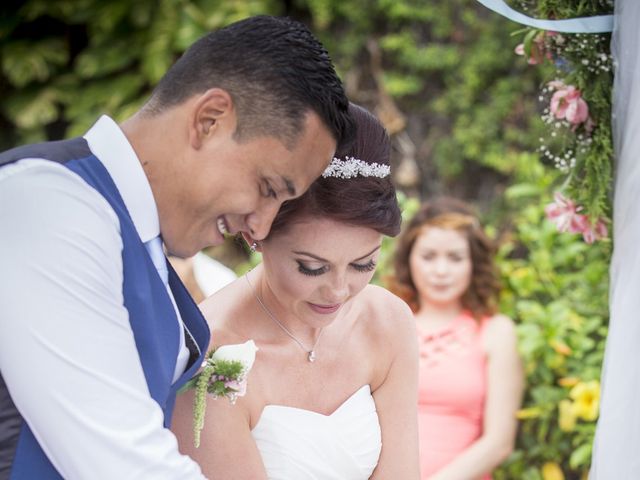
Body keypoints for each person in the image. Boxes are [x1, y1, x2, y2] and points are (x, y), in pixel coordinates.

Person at [0, 15, 354, 479]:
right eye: (268, 188)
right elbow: (124, 463)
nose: (262, 226)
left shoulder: (136, 238)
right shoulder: (50, 203)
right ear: (209, 120)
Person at [171, 103, 420, 479]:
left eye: (362, 264)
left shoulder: (386, 322)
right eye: (312, 267)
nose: (338, 291)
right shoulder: (213, 357)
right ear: (256, 232)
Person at [390, 198, 523, 480]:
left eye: (455, 258)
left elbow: (499, 442)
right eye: (428, 257)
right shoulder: (388, 326)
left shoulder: (496, 332)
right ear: (408, 259)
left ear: (474, 263)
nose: (440, 271)